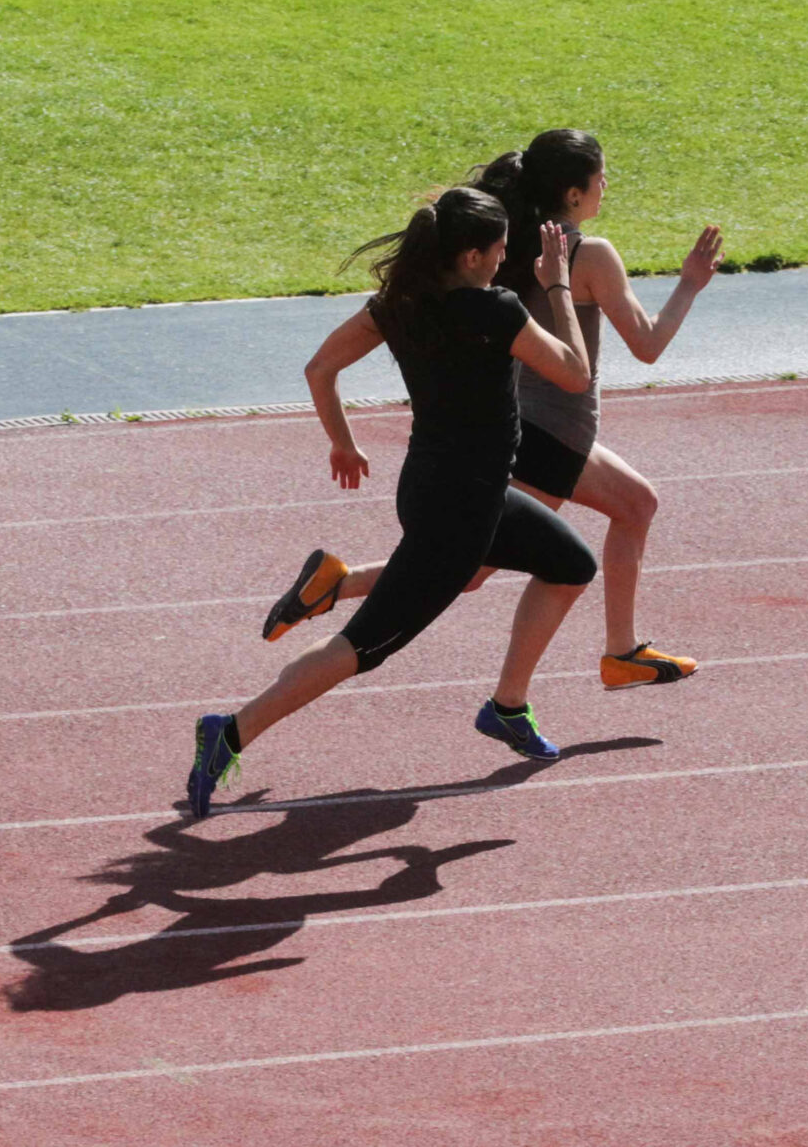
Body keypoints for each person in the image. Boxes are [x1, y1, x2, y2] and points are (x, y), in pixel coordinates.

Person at [263, 130, 723, 689]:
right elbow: (647, 345)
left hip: (530, 427)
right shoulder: (587, 254)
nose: (607, 187)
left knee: (623, 509)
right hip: (553, 434)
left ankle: (621, 651)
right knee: (479, 566)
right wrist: (690, 286)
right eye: (601, 178)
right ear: (574, 195)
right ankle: (351, 592)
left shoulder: (511, 241)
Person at [189, 188, 595, 819]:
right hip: (459, 510)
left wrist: (343, 446)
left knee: (570, 563)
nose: (502, 262)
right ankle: (231, 730)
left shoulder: (398, 305)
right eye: (498, 252)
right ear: (468, 256)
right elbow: (574, 372)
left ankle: (506, 706)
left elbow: (319, 368)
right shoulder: (496, 311)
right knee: (362, 649)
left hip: (447, 490)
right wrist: (559, 284)